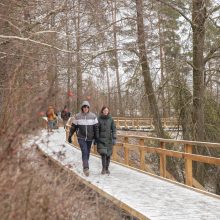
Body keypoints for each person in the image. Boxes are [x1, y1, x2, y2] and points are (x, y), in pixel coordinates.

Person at [68, 101, 98, 176]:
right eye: (84, 107)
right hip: (81, 137)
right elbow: (73, 127)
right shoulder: (77, 116)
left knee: (87, 152)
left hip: (90, 138)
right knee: (84, 151)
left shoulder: (93, 116)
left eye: (87, 107)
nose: (85, 108)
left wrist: (96, 138)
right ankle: (86, 168)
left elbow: (96, 128)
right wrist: (70, 136)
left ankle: (85, 164)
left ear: (88, 108)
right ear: (82, 108)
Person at [96, 106, 116, 175]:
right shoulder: (98, 119)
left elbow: (114, 129)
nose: (106, 112)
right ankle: (103, 168)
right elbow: (96, 129)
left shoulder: (111, 119)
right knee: (103, 154)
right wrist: (96, 138)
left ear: (108, 111)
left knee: (108, 155)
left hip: (109, 140)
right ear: (102, 111)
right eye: (104, 110)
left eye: (107, 111)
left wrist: (114, 138)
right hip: (101, 140)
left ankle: (107, 168)